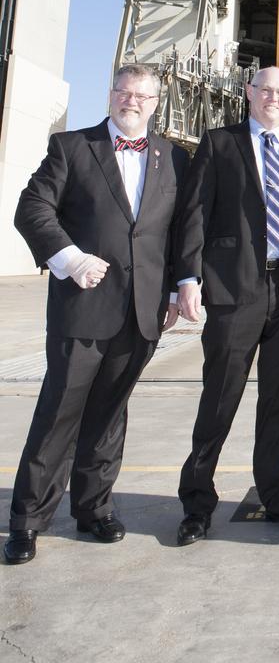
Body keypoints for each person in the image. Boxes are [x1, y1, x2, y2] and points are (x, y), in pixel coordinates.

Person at [4, 64, 189, 565]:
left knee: (110, 414)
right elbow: (32, 208)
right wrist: (69, 258)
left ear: (156, 103)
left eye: (143, 95)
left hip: (143, 310)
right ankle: (27, 522)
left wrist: (176, 287)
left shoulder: (173, 158)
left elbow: (179, 233)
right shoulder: (72, 148)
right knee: (59, 414)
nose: (132, 101)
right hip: (82, 308)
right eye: (124, 92)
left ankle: (93, 509)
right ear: (110, 95)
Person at [173, 66, 279, 545]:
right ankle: (197, 504)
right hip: (232, 289)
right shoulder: (220, 144)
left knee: (277, 399)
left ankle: (275, 497)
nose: (273, 98)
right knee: (220, 395)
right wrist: (188, 277)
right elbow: (194, 212)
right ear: (249, 92)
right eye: (265, 89)